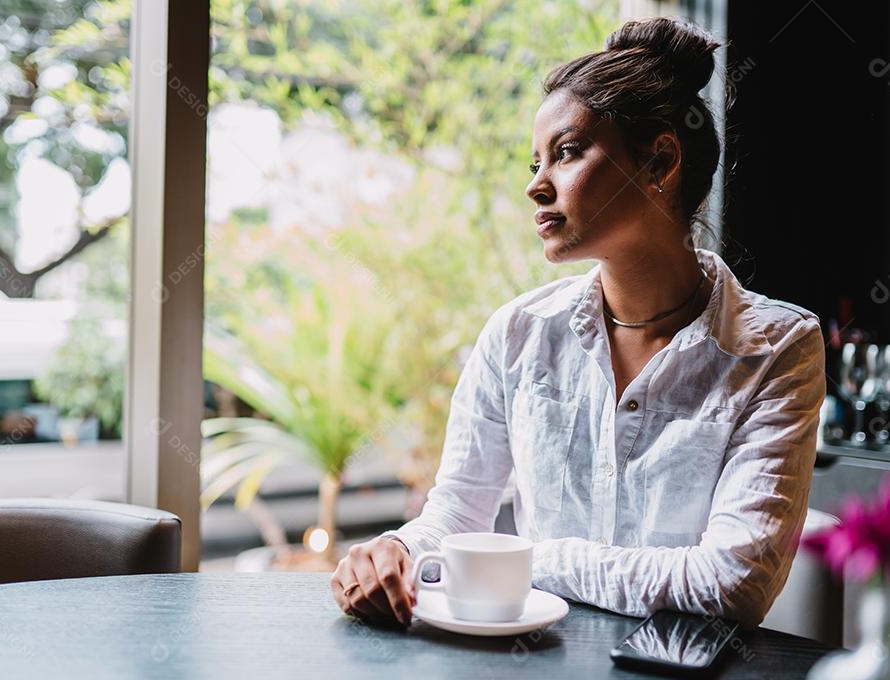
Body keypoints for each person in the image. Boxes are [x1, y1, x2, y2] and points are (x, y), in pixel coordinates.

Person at [331, 16, 826, 628]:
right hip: (531, 672)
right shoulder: (516, 335)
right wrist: (398, 552)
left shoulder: (777, 349)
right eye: (534, 163)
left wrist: (527, 560)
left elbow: (732, 585)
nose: (537, 186)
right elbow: (457, 515)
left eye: (565, 154)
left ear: (660, 162)